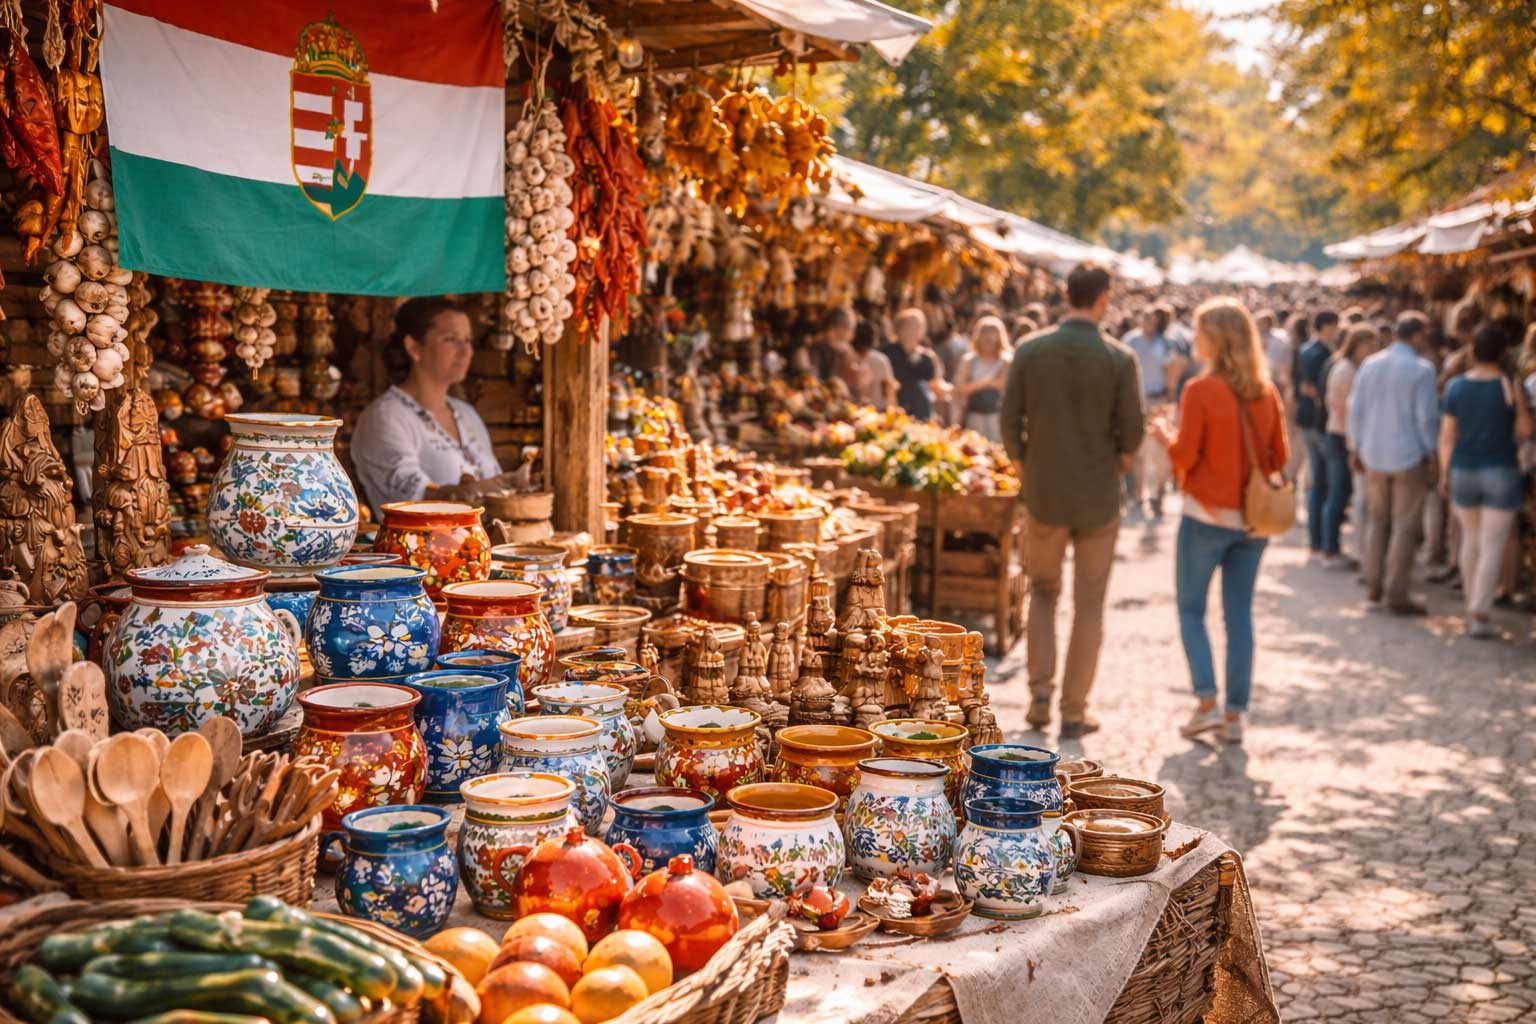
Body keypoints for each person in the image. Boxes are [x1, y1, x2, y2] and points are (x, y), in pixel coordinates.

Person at [999, 262, 1144, 738]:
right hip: (1098, 497)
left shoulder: (1030, 349)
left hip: (1044, 492)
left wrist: (1027, 470)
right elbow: (1132, 435)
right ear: (1104, 299)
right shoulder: (1119, 359)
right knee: (1089, 604)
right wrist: (1112, 473)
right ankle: (1075, 709)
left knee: (1041, 592)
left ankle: (1039, 696)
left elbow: (1008, 423)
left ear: (1065, 294)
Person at [1152, 298, 1288, 745]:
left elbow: (1184, 458)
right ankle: (1235, 715)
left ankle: (1207, 702)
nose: (1193, 339)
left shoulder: (1200, 390)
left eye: (1199, 331)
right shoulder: (1265, 392)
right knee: (1239, 617)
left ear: (1216, 339)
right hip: (1251, 522)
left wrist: (1164, 437)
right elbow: (1279, 457)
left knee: (1191, 610)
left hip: (1206, 516)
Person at [352, 297, 506, 517]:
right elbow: (414, 501)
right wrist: (473, 492)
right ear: (414, 347)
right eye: (451, 339)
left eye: (468, 340)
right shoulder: (385, 417)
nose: (465, 351)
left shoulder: (466, 414)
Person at [1439, 324, 1530, 637]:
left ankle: (1471, 606)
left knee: (1470, 540)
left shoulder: (1456, 387)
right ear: (1504, 352)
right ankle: (1479, 612)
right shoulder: (1508, 385)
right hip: (1500, 470)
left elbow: (1447, 437)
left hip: (1463, 468)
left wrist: (1443, 472)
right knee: (1492, 545)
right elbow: (1524, 431)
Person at [1348, 311, 1440, 614]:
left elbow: (1356, 409)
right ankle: (1395, 592)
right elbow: (1425, 418)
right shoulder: (1421, 370)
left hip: (1374, 453)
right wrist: (1431, 453)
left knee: (1378, 521)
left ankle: (1374, 587)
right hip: (1407, 455)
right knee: (1403, 526)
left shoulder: (1371, 366)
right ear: (1415, 335)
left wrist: (1357, 447)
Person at [1319, 324, 1376, 567]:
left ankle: (1331, 547)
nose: (1373, 350)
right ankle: (1330, 550)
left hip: (1343, 435)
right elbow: (1339, 405)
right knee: (1338, 494)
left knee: (1341, 494)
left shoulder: (1351, 368)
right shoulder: (1345, 369)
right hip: (1340, 436)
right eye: (1369, 345)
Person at [1293, 311, 1340, 560]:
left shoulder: (1305, 349)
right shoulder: (1319, 352)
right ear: (1326, 326)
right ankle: (1320, 541)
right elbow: (1306, 387)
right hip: (1316, 422)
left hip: (1307, 420)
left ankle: (1316, 540)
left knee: (1318, 481)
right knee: (1322, 482)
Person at [952, 315, 1011, 441]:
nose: (988, 338)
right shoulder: (969, 361)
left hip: (998, 416)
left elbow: (1004, 384)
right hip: (974, 414)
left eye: (992, 333)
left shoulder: (1006, 361)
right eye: (985, 333)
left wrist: (977, 384)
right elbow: (960, 388)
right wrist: (987, 382)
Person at [883, 307, 942, 420]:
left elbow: (935, 384)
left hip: (921, 411)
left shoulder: (927, 357)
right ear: (899, 328)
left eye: (918, 326)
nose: (913, 330)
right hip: (895, 411)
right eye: (909, 325)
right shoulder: (887, 352)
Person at [848, 320, 897, 410]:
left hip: (853, 409)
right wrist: (892, 410)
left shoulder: (847, 357)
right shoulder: (880, 360)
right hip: (875, 410)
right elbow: (889, 389)